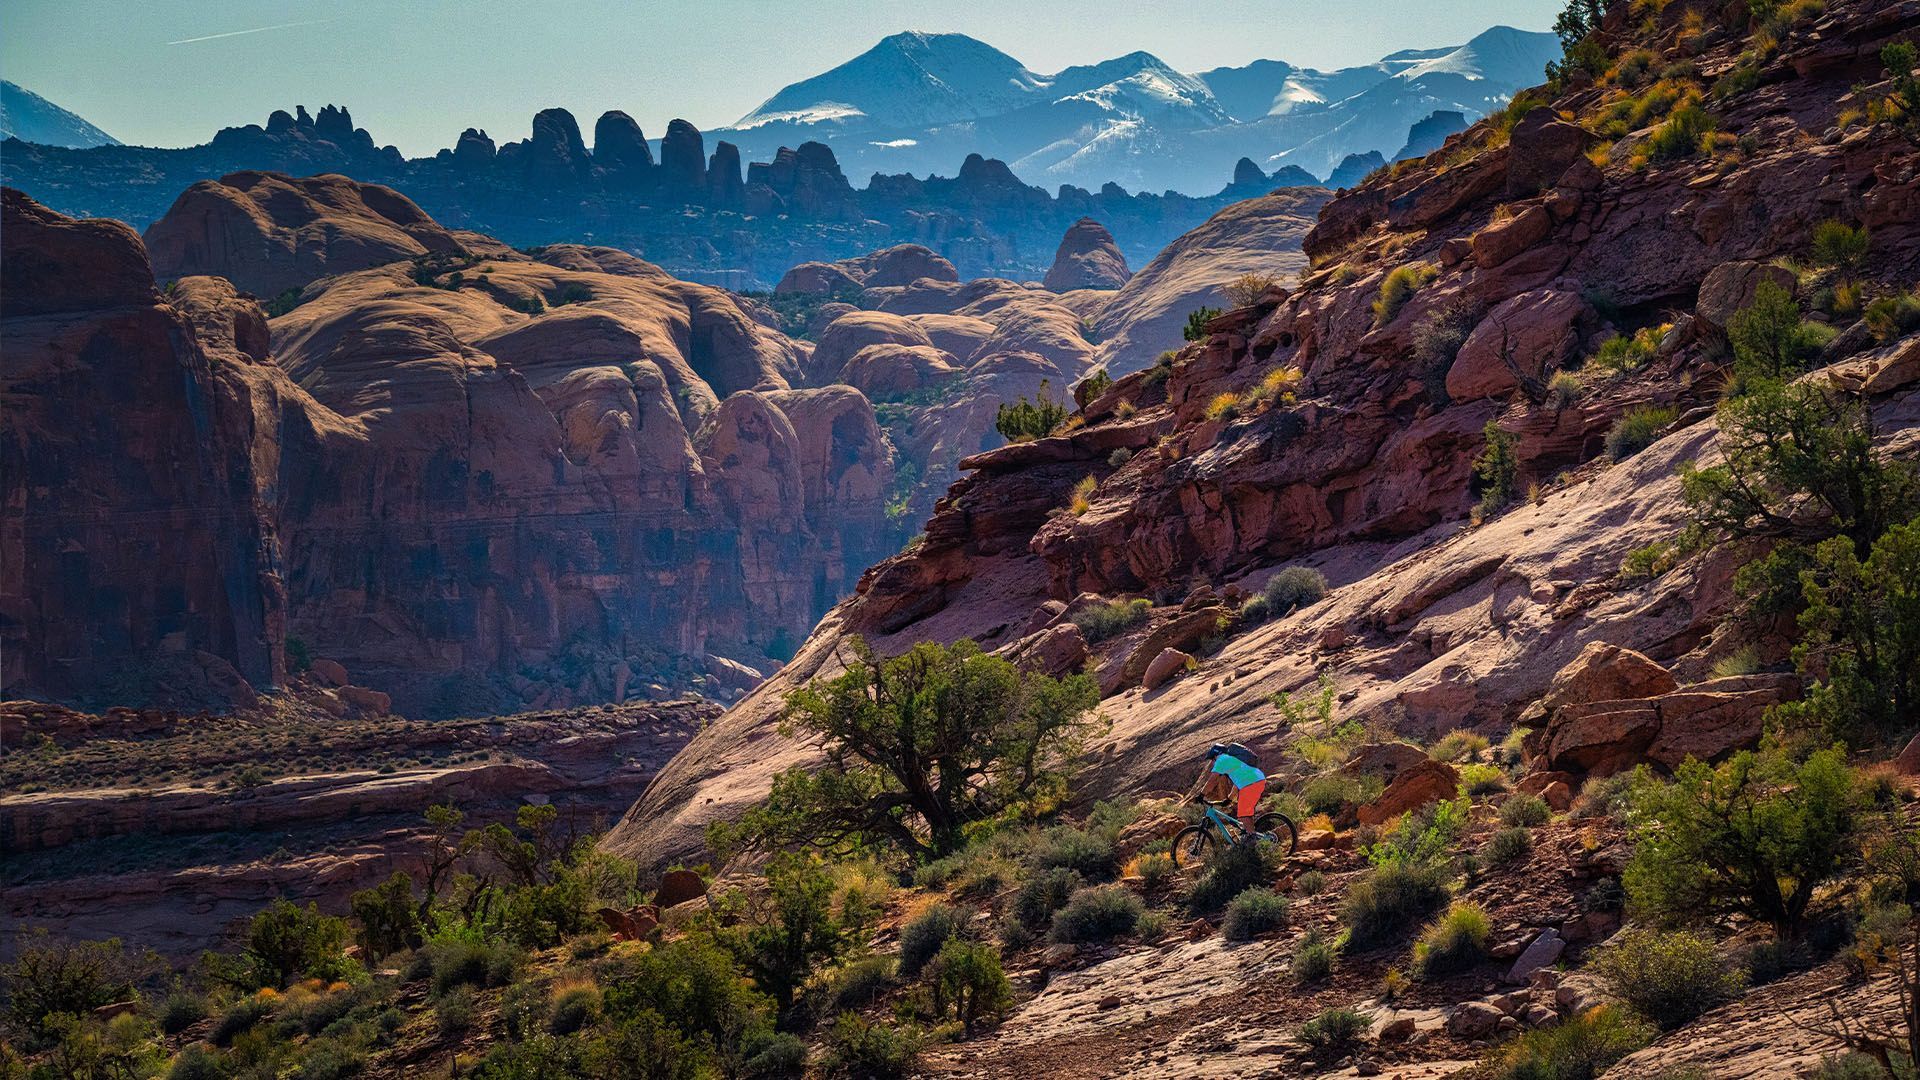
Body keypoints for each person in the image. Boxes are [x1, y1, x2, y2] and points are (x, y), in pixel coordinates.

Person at [1190, 742, 1267, 834]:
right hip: (1254, 781)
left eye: (1212, 759)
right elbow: (1237, 783)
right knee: (1244, 814)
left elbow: (1213, 780)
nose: (1213, 762)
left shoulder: (1222, 759)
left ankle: (1252, 839)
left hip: (1251, 783)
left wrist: (1201, 794)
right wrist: (1229, 799)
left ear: (1216, 755)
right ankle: (1249, 834)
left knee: (1244, 814)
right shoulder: (1231, 760)